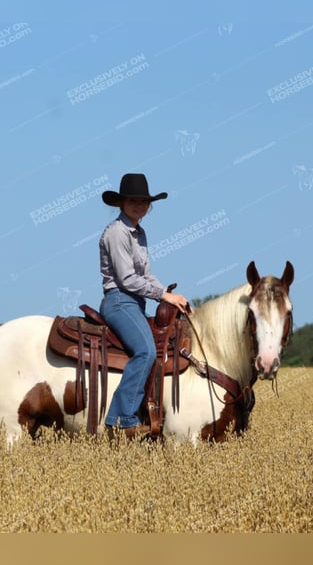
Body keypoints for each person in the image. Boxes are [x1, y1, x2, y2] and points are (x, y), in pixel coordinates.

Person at [99, 173, 191, 438]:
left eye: (144, 201)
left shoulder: (139, 233)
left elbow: (147, 275)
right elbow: (127, 279)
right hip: (119, 300)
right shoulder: (117, 232)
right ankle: (121, 417)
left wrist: (174, 297)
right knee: (146, 351)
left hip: (135, 302)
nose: (139, 205)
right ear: (121, 203)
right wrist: (163, 296)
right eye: (132, 201)